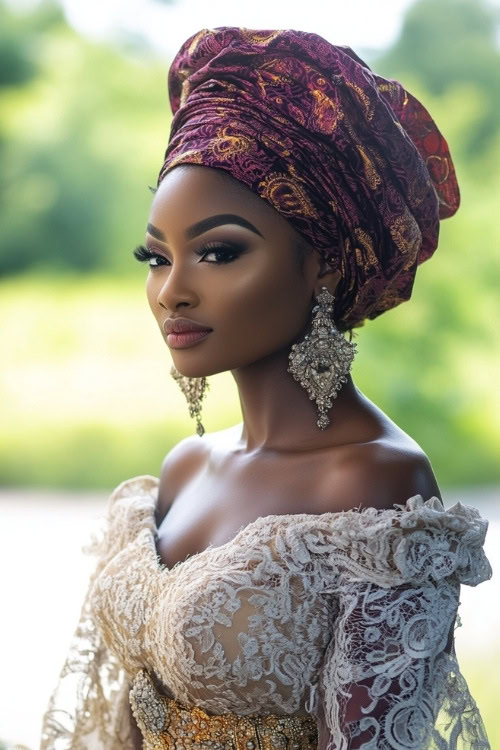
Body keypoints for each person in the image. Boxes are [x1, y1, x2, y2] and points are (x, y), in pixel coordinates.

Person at [40, 27, 492, 750]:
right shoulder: (185, 467)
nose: (172, 292)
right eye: (155, 257)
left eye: (219, 252)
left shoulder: (378, 485)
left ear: (324, 262)